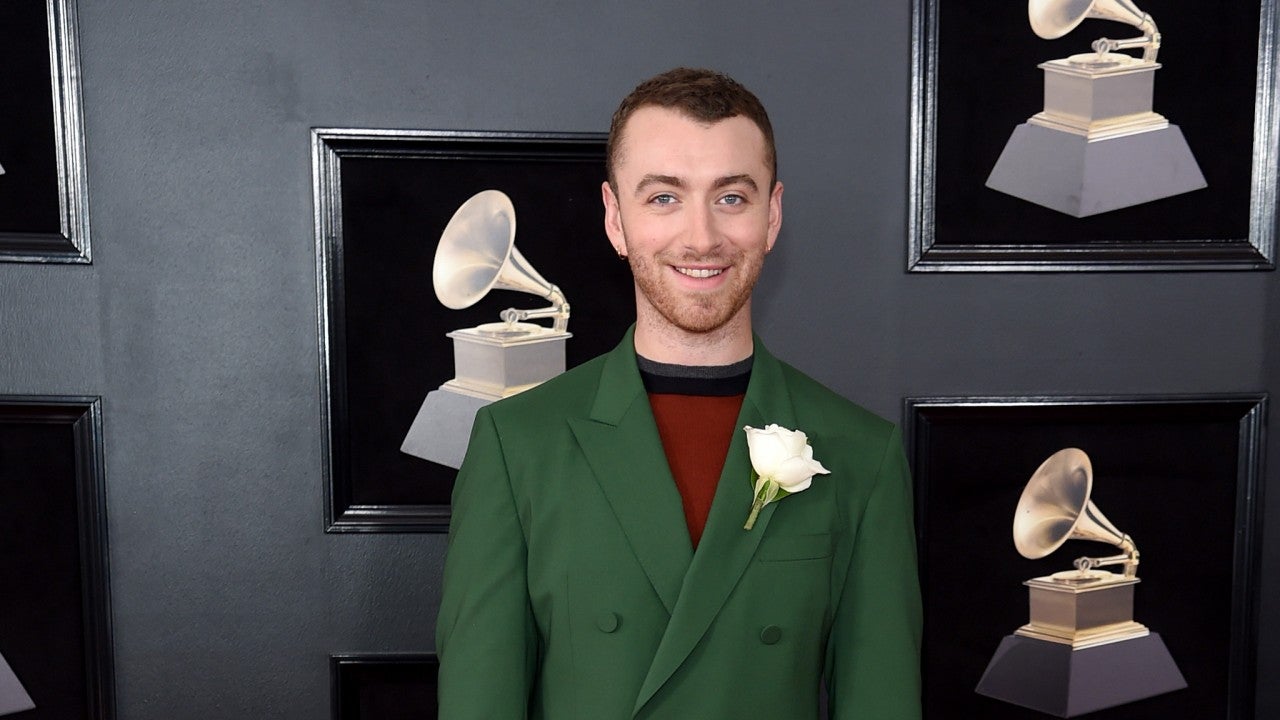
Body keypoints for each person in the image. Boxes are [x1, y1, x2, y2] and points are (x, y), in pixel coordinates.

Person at [436, 67, 921, 719]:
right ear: (616, 219)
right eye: (664, 197)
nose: (701, 237)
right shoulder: (518, 445)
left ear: (772, 215)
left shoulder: (861, 453)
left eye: (731, 197)